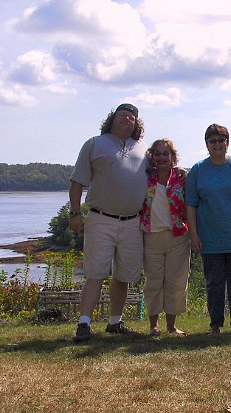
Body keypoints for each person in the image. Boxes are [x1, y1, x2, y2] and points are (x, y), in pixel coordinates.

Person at [69, 103, 147, 342]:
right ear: (112, 119)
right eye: (123, 116)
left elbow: (161, 173)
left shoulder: (144, 149)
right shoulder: (94, 144)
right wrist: (74, 214)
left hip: (133, 222)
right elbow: (77, 182)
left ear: (137, 124)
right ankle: (84, 323)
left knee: (123, 275)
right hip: (100, 219)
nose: (127, 120)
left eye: (132, 118)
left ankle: (115, 322)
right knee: (96, 273)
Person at [186, 124, 231, 335]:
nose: (217, 144)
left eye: (221, 140)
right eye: (212, 141)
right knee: (214, 284)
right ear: (206, 144)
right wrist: (193, 234)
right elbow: (190, 205)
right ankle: (215, 325)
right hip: (210, 238)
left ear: (227, 142)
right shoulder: (198, 170)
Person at [140, 139, 190, 336]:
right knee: (153, 281)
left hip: (178, 236)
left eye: (165, 153)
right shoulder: (144, 178)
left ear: (172, 157)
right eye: (158, 153)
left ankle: (171, 326)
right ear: (152, 157)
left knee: (176, 282)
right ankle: (153, 326)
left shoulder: (182, 178)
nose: (161, 157)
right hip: (151, 236)